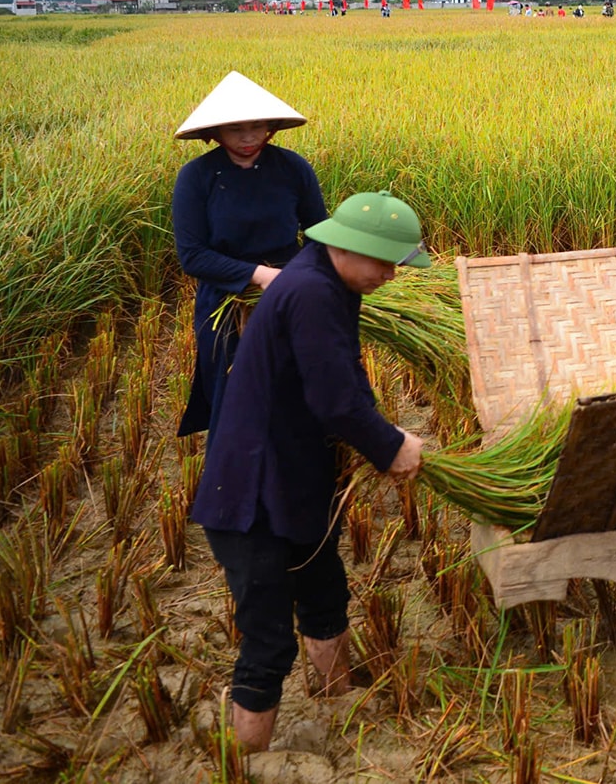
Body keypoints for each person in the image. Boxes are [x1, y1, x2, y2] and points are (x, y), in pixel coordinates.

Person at [192, 190, 429, 753]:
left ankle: (335, 703)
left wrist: (380, 432)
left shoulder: (330, 282)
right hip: (252, 491)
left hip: (294, 475)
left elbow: (344, 373)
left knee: (324, 592)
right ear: (348, 247)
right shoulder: (311, 292)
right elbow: (334, 401)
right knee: (268, 638)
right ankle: (249, 758)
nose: (391, 275)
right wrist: (389, 445)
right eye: (385, 261)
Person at [172, 73, 326, 438]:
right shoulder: (196, 177)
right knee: (236, 397)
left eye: (257, 126)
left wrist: (324, 272)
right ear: (215, 133)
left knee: (303, 390)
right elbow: (192, 256)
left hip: (291, 292)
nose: (248, 137)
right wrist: (259, 275)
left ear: (272, 127)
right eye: (235, 128)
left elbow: (318, 230)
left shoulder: (293, 168)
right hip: (226, 296)